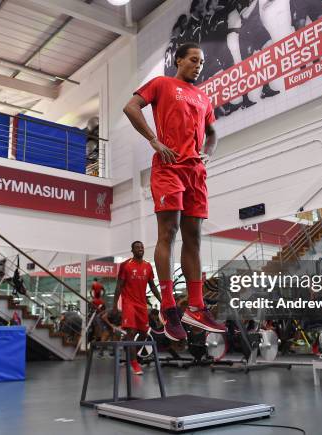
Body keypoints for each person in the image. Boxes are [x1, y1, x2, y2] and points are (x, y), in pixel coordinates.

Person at [123, 42, 227, 343]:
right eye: (193, 60)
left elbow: (212, 133)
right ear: (178, 60)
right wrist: (154, 141)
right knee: (168, 232)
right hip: (169, 166)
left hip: (196, 171)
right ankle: (168, 306)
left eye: (202, 61)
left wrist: (208, 152)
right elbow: (130, 108)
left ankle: (195, 306)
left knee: (194, 236)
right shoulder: (162, 84)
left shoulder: (203, 97)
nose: (199, 65)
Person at [112, 241, 162, 375]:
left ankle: (131, 352)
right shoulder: (125, 265)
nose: (140, 249)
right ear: (132, 250)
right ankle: (134, 362)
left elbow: (152, 286)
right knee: (131, 332)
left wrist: (162, 301)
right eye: (137, 247)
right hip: (129, 303)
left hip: (141, 304)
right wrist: (114, 305)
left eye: (142, 247)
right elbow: (119, 286)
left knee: (144, 333)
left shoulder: (148, 266)